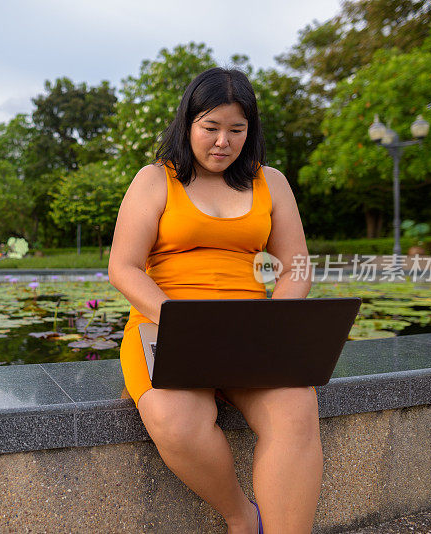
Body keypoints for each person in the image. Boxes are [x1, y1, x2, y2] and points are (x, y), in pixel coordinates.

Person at [107, 67, 319, 534]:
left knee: (296, 411)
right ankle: (243, 519)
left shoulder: (272, 182)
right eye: (210, 127)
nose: (223, 141)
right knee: (175, 419)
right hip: (167, 326)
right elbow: (123, 267)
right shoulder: (154, 179)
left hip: (251, 331)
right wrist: (181, 323)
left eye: (236, 130)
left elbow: (296, 264)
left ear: (251, 131)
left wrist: (279, 323)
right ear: (187, 125)